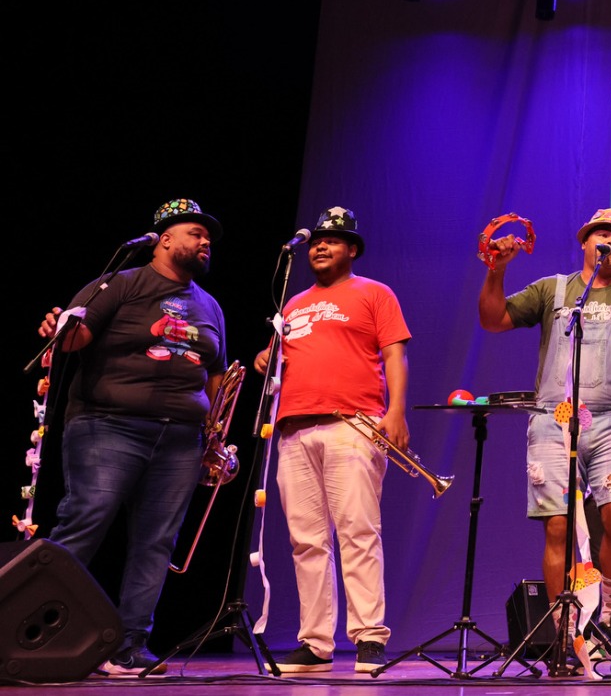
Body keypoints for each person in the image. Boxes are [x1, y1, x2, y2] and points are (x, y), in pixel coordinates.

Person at [36, 197, 228, 676]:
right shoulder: (120, 283)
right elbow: (73, 341)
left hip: (182, 438)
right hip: (108, 424)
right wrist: (59, 330)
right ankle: (34, 626)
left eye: (208, 238)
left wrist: (215, 433)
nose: (205, 243)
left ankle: (128, 645)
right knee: (87, 519)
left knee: (156, 542)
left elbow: (216, 375)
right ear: (164, 239)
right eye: (195, 234)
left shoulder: (210, 306)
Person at [478, 207, 611, 626]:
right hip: (554, 419)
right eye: (603, 235)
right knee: (558, 527)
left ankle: (608, 609)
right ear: (585, 242)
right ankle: (567, 626)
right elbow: (493, 320)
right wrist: (496, 271)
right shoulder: (552, 291)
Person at [253, 207, 410, 674]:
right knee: (306, 540)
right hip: (293, 427)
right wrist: (267, 355)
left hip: (353, 422)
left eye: (333, 240)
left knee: (358, 531)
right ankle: (317, 643)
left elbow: (395, 354)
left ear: (352, 250)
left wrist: (396, 412)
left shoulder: (374, 294)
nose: (319, 246)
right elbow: (288, 357)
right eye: (316, 241)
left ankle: (368, 638)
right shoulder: (292, 305)